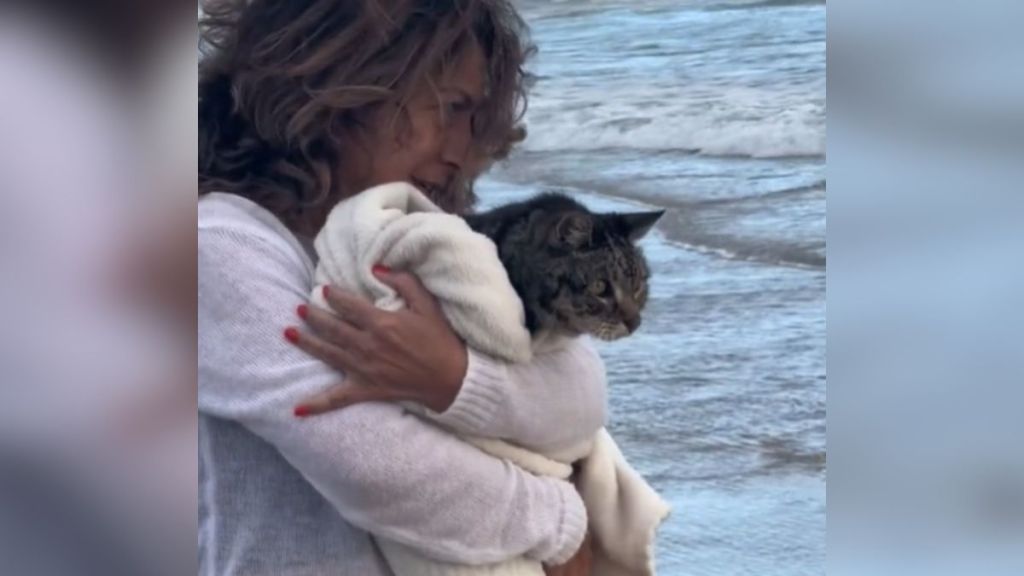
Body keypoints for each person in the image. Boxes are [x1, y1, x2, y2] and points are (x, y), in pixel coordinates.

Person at [198, 1, 605, 575]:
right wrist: (561, 523)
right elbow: (370, 463)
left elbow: (579, 394)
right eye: (451, 107)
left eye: (475, 120)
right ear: (343, 84)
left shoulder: (415, 237)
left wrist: (456, 377)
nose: (461, 151)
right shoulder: (220, 248)